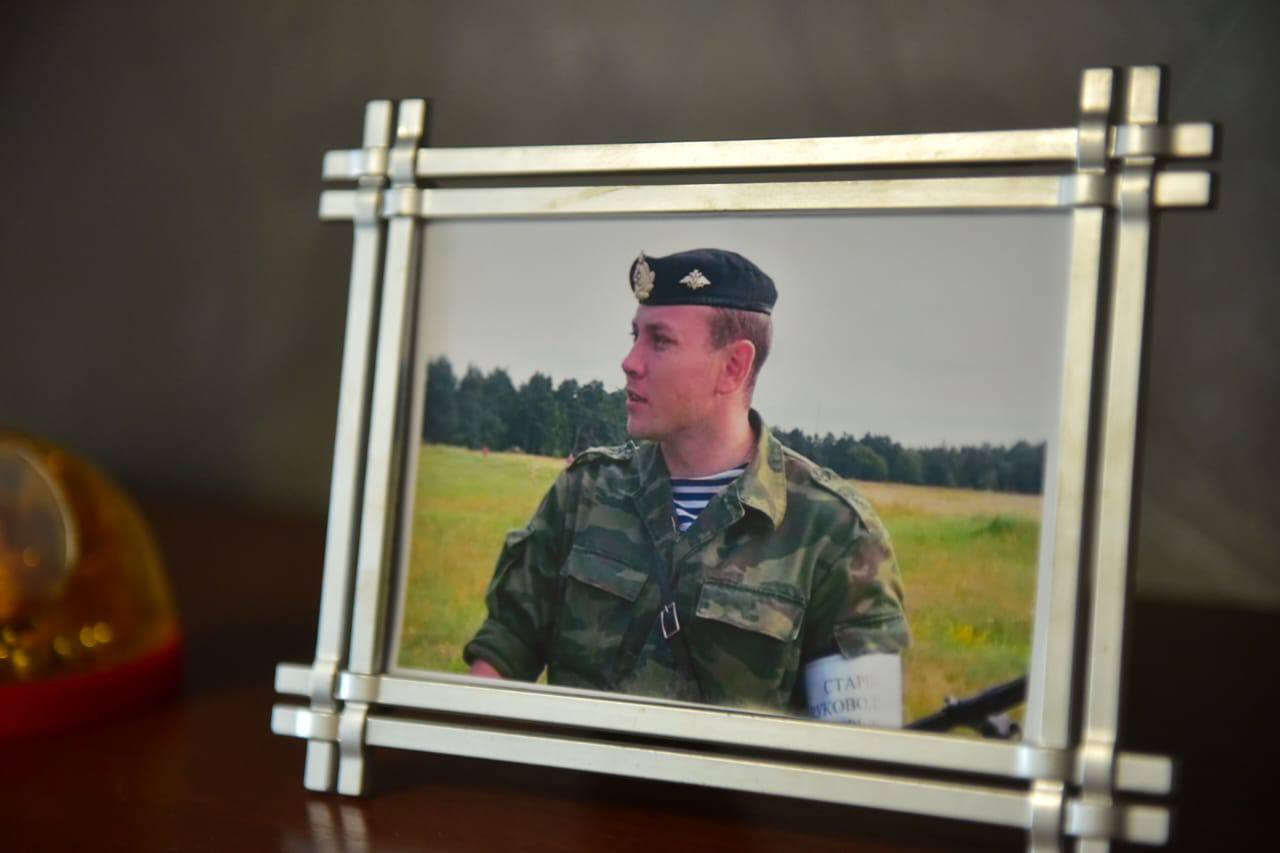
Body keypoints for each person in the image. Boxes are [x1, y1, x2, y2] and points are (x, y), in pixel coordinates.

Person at [463, 248, 909, 719]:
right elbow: (503, 654)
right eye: (635, 336)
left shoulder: (835, 533)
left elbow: (856, 741)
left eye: (660, 341)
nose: (629, 362)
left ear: (733, 366)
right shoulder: (585, 492)